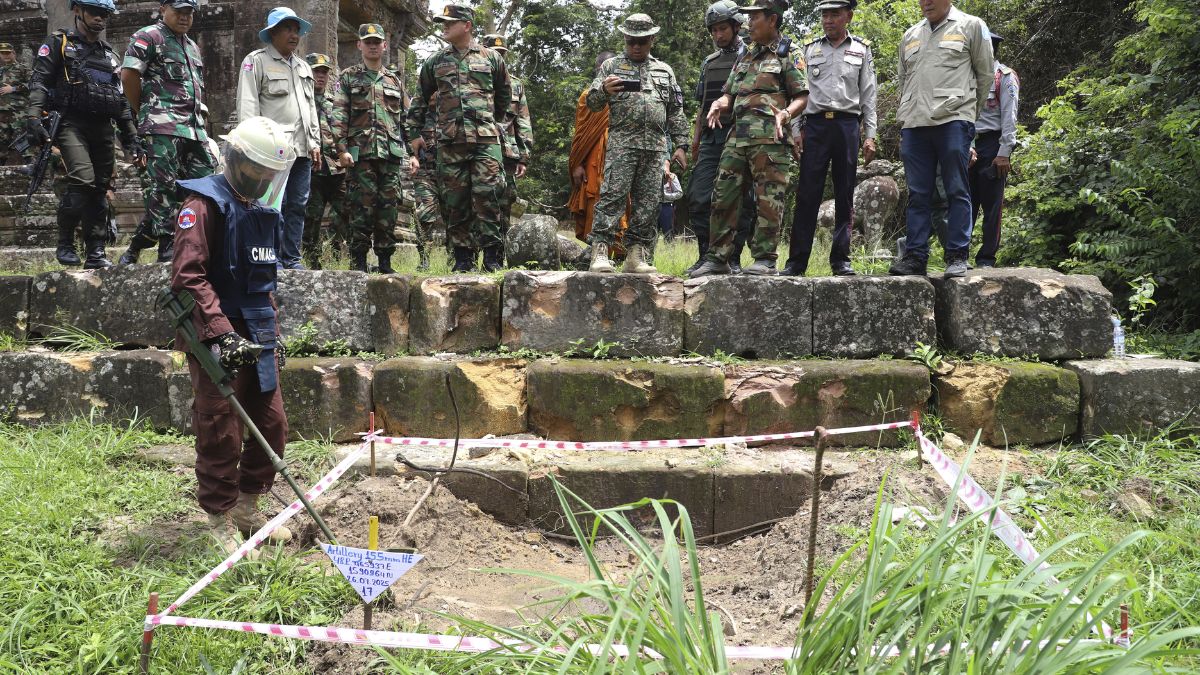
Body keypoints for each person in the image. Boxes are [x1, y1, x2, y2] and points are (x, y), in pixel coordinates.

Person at [171, 116, 295, 553]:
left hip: (258, 332)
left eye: (270, 173)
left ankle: (247, 506)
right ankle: (218, 517)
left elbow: (263, 284)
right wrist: (222, 334)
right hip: (216, 334)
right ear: (235, 158)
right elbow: (188, 277)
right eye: (256, 169)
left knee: (271, 424)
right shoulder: (202, 205)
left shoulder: (263, 212)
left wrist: (273, 336)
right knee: (221, 427)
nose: (262, 179)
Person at [690, 0, 808, 278]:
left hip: (770, 140)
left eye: (755, 18)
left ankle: (765, 259)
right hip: (737, 137)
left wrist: (786, 115)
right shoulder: (746, 55)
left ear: (772, 20)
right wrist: (718, 103)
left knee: (768, 200)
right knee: (723, 196)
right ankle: (718, 258)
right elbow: (729, 94)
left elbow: (802, 96)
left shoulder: (789, 52)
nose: (749, 23)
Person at [27, 0, 140, 269]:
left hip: (102, 127)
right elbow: (40, 80)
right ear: (78, 10)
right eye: (95, 12)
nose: (100, 18)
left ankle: (96, 252)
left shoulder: (109, 54)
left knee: (100, 188)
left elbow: (121, 100)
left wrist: (132, 138)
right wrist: (33, 116)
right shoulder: (60, 43)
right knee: (82, 179)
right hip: (71, 123)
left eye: (105, 14)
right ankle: (65, 242)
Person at [889, 0, 992, 279]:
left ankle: (957, 255)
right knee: (918, 193)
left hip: (953, 120)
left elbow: (985, 76)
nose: (926, 2)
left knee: (956, 189)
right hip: (915, 123)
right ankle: (915, 257)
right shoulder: (911, 34)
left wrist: (968, 115)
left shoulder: (972, 26)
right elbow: (903, 79)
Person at [410, 4, 511, 273]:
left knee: (489, 196)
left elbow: (503, 95)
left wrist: (488, 122)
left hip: (485, 141)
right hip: (450, 142)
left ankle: (492, 258)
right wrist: (414, 134)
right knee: (455, 202)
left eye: (449, 22)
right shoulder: (435, 61)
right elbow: (420, 99)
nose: (444, 26)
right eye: (442, 22)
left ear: (467, 25)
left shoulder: (491, 58)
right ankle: (463, 259)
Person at [584, 13, 688, 274]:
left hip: (655, 148)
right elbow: (591, 104)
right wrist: (604, 90)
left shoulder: (665, 70)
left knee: (648, 204)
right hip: (622, 145)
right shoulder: (611, 67)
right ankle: (600, 251)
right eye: (631, 41)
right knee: (612, 197)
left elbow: (675, 110)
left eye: (641, 41)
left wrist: (681, 145)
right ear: (624, 39)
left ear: (652, 39)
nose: (636, 46)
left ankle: (636, 255)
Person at [782, 0, 877, 277]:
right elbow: (799, 94)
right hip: (815, 126)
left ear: (848, 16)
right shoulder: (809, 49)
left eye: (835, 14)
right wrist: (796, 131)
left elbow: (869, 95)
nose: (828, 20)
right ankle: (797, 262)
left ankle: (841, 260)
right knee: (807, 194)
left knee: (845, 193)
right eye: (825, 15)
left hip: (847, 126)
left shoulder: (861, 49)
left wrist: (870, 135)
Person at [118, 0, 214, 266]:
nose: (184, 17)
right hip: (161, 126)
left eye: (189, 13)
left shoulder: (192, 46)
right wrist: (144, 111)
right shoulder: (149, 36)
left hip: (193, 129)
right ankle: (168, 246)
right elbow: (128, 76)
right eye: (178, 11)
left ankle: (139, 244)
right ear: (163, 9)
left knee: (205, 187)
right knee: (163, 188)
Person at [235, 6, 320, 270]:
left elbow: (310, 109)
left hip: (302, 149)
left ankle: (291, 258)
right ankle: (269, 256)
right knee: (270, 204)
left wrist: (315, 142)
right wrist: (251, 146)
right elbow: (248, 104)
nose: (294, 35)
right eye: (287, 29)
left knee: (298, 204)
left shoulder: (304, 67)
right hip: (272, 150)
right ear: (273, 33)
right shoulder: (256, 61)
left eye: (296, 30)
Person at [332, 23, 417, 273]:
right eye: (367, 41)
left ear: (384, 46)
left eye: (376, 42)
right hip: (361, 156)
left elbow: (405, 119)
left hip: (390, 156)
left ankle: (385, 262)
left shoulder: (394, 80)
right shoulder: (348, 77)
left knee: (388, 209)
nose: (372, 46)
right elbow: (338, 115)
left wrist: (413, 153)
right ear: (359, 45)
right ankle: (358, 261)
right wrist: (341, 149)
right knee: (361, 208)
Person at [687, 1, 756, 275]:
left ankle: (733, 257)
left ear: (736, 27)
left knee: (742, 200)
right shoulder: (710, 62)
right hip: (711, 139)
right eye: (714, 30)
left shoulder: (752, 56)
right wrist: (695, 140)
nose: (718, 35)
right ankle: (705, 254)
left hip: (742, 137)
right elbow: (702, 105)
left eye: (723, 29)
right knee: (698, 196)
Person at [566, 50, 630, 249]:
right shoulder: (588, 97)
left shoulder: (628, 95)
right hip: (594, 161)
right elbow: (581, 135)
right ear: (598, 71)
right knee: (595, 197)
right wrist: (577, 164)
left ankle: (619, 250)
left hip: (623, 155)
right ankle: (596, 248)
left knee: (623, 199)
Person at [970, 32, 1018, 268]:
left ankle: (986, 258)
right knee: (964, 201)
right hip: (967, 143)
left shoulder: (1004, 77)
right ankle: (958, 254)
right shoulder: (966, 75)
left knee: (992, 205)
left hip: (992, 144)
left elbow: (1010, 115)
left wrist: (1004, 152)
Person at [483, 34, 533, 248]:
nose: (499, 57)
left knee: (505, 202)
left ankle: (498, 253)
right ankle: (467, 255)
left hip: (507, 154)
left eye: (502, 54)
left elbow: (523, 122)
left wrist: (523, 157)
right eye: (494, 53)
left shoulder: (516, 85)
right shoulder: (473, 80)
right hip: (479, 148)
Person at [301, 52, 346, 269]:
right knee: (312, 217)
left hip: (337, 168)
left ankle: (338, 256)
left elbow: (346, 130)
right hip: (312, 169)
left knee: (344, 212)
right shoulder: (301, 100)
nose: (320, 76)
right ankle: (311, 260)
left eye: (324, 72)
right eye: (316, 71)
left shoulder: (335, 101)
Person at [0, 43, 32, 166]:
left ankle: (31, 165)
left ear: (13, 53)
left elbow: (33, 84)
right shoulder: (1, 70)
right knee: (2, 140)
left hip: (18, 111)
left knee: (22, 138)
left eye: (8, 53)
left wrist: (13, 89)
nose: (6, 56)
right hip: (2, 112)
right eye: (3, 53)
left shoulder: (23, 68)